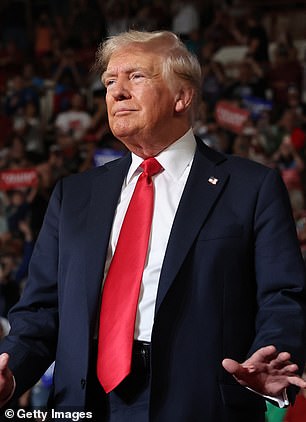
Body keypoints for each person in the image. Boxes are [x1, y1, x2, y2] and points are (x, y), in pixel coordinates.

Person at [0, 30, 305, 422]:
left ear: (182, 96)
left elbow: (284, 295)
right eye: (110, 81)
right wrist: (11, 375)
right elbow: (41, 311)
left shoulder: (250, 187)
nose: (117, 92)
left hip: (200, 404)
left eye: (136, 77)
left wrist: (274, 350)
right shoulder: (73, 195)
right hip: (83, 404)